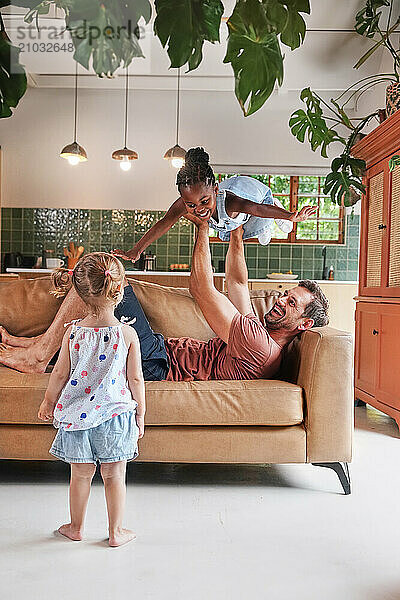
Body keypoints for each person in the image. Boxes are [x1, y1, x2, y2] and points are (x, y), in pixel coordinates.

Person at [0, 225, 329, 382]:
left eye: (293, 302)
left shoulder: (259, 345)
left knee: (102, 269)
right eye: (286, 293)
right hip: (157, 352)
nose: (282, 299)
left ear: (304, 325)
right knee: (103, 298)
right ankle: (33, 345)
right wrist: (236, 231)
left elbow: (201, 288)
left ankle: (38, 356)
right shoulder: (259, 335)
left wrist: (202, 228)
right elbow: (238, 283)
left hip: (155, 365)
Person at [37, 252, 145, 547]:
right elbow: (136, 379)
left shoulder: (72, 332)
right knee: (114, 476)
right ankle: (116, 532)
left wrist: (48, 403)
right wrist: (141, 415)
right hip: (116, 415)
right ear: (119, 291)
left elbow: (59, 373)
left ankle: (76, 527)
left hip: (76, 419)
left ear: (80, 296)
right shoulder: (127, 334)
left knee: (80, 476)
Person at [113, 147, 316, 263]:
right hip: (231, 217)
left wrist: (290, 216)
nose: (199, 209)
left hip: (255, 195)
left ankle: (274, 212)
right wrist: (136, 250)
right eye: (190, 205)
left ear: (216, 190)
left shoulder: (230, 202)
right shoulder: (186, 203)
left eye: (204, 202)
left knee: (260, 227)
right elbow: (164, 223)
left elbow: (257, 209)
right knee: (227, 231)